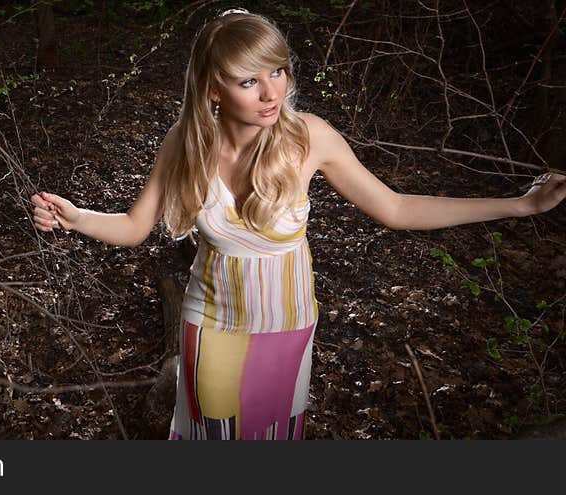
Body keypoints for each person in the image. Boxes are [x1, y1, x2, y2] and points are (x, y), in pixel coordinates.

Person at [30, 9, 566, 440]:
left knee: (273, 438)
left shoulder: (309, 138)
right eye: (248, 80)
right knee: (215, 437)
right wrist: (78, 219)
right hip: (213, 323)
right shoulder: (186, 142)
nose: (271, 93)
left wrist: (519, 205)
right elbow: (133, 225)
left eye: (277, 72)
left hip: (288, 327)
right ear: (214, 88)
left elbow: (397, 208)